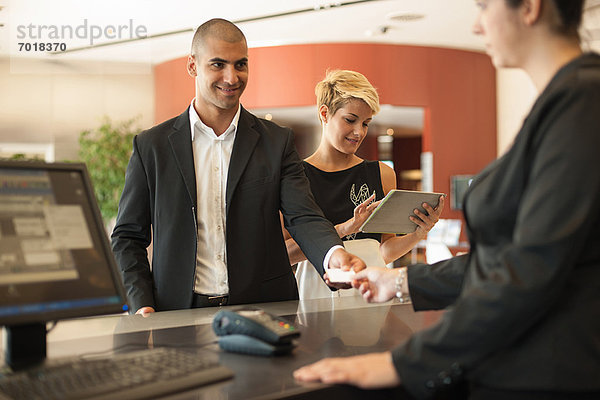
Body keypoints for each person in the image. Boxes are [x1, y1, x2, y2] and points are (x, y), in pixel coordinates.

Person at [294, 0, 600, 398]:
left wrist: (401, 361)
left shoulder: (582, 102)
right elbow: (505, 261)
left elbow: (528, 269)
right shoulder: (562, 103)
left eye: (484, 7)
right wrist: (401, 280)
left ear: (529, 8)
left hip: (549, 371)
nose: (476, 26)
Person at [111, 18, 365, 314]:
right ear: (193, 66)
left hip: (263, 311)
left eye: (240, 64)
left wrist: (334, 255)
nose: (231, 78)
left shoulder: (277, 142)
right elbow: (128, 236)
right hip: (176, 311)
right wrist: (141, 302)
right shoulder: (151, 146)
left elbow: (304, 216)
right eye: (217, 65)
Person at [283, 70, 444, 298]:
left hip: (371, 290)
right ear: (324, 113)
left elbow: (383, 252)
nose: (359, 132)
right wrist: (346, 228)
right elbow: (283, 255)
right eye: (350, 120)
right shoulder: (294, 176)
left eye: (366, 123)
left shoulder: (382, 174)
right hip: (316, 292)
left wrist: (419, 234)